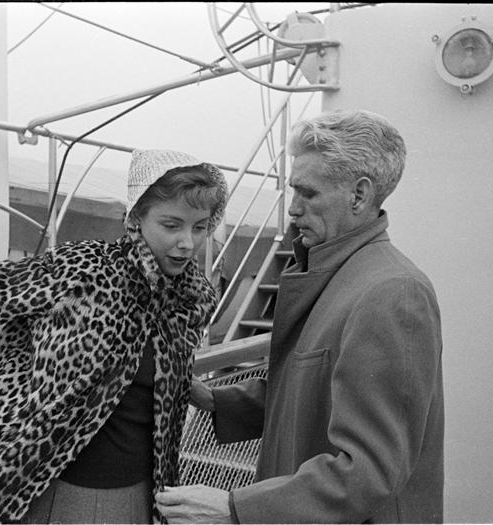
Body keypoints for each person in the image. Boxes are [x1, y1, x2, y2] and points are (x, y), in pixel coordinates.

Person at [0, 149, 228, 524]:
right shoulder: (82, 269)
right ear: (136, 217)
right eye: (172, 225)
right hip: (66, 492)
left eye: (199, 227)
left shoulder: (187, 299)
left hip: (145, 494)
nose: (188, 242)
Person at [156, 109, 444, 523]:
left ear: (359, 196)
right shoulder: (341, 276)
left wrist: (236, 509)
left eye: (307, 193)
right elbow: (310, 392)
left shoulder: (392, 293)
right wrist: (215, 399)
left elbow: (370, 470)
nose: (292, 209)